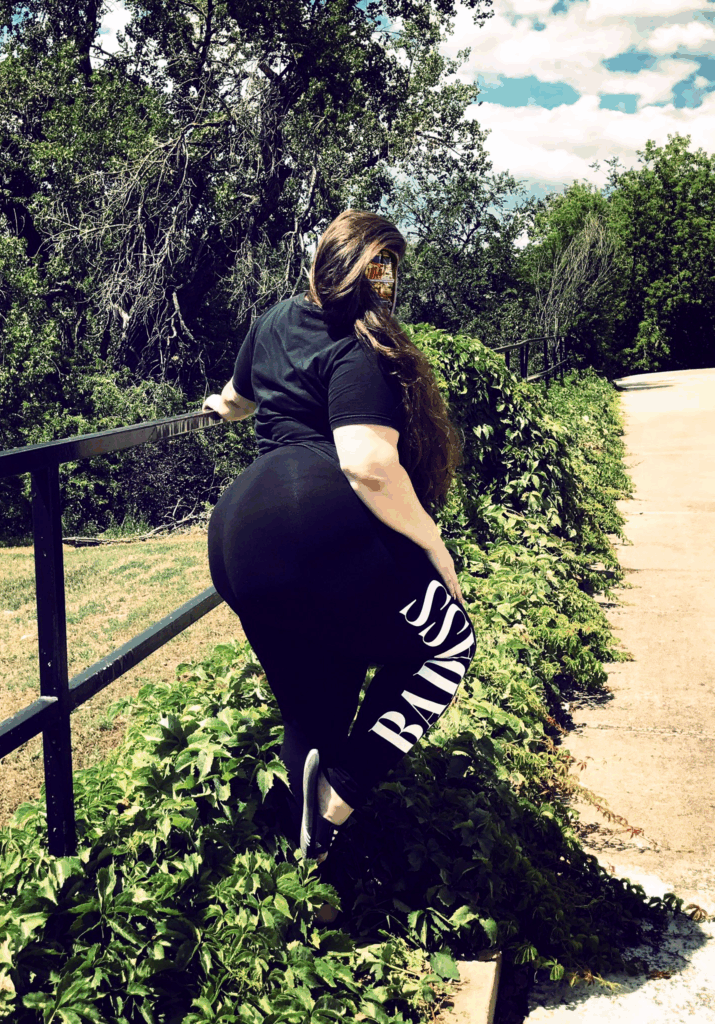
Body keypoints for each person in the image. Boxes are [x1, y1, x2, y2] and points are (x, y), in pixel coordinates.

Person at [202, 210, 477, 914]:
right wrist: (432, 542)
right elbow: (366, 464)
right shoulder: (362, 347)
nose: (388, 283)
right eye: (386, 270)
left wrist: (216, 408)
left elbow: (236, 399)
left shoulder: (271, 321)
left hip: (235, 536)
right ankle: (340, 794)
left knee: (315, 701)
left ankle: (306, 882)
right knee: (448, 643)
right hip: (318, 522)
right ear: (377, 277)